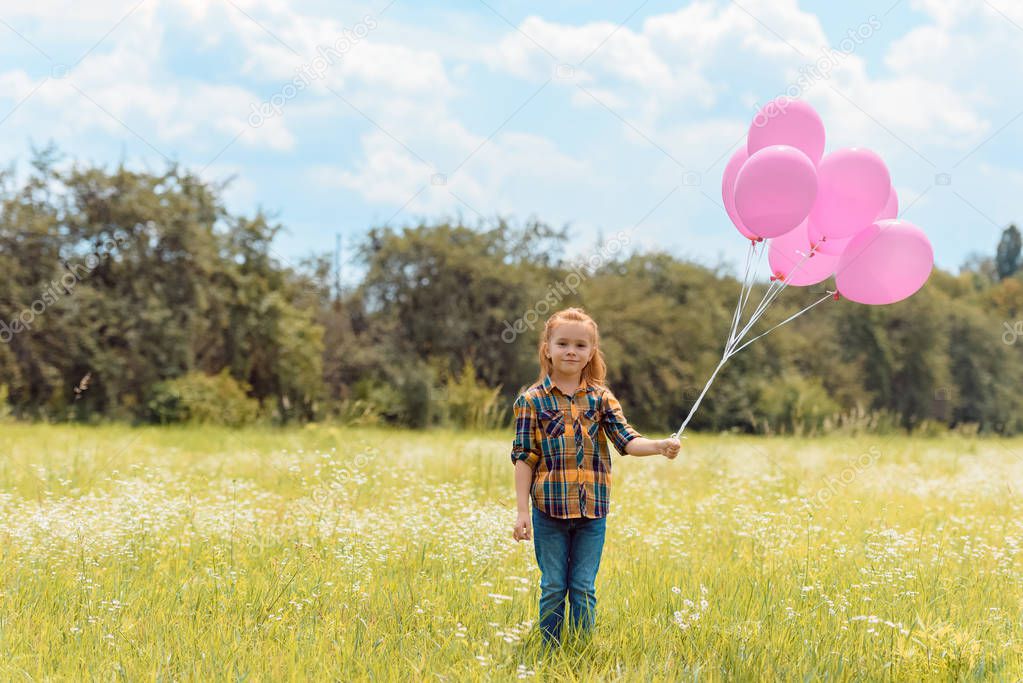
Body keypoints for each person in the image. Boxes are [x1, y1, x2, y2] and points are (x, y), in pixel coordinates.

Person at [509, 306, 681, 648]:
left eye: (580, 345)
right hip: (548, 512)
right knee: (555, 586)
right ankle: (550, 649)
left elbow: (627, 441)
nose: (571, 350)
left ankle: (582, 648)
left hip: (592, 513)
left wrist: (660, 446)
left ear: (591, 353)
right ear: (547, 348)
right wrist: (521, 512)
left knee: (583, 587)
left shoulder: (602, 399)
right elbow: (524, 458)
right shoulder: (531, 401)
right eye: (562, 343)